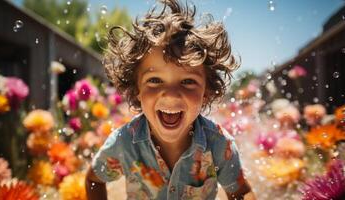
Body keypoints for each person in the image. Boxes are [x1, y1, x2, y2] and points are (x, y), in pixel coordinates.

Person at [86, 0, 255, 199]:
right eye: (155, 80)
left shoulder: (218, 145)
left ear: (206, 91)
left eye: (188, 81)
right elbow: (94, 179)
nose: (171, 94)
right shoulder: (124, 143)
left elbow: (241, 193)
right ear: (137, 88)